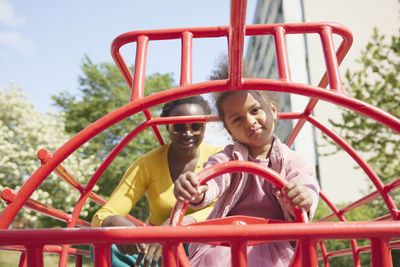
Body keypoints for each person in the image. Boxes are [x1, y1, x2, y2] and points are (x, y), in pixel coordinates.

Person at [173, 90, 320, 266]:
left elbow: (306, 184)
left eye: (255, 110)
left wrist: (304, 196)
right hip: (229, 241)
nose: (250, 121)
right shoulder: (228, 157)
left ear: (272, 111)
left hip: (275, 241)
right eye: (237, 119)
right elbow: (214, 178)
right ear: (230, 131)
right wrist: (198, 189)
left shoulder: (292, 161)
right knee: (218, 259)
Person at [91, 95, 222, 267]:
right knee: (104, 242)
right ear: (168, 126)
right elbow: (102, 215)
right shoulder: (147, 164)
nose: (188, 133)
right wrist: (112, 221)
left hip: (204, 247)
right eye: (179, 127)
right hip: (159, 249)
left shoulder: (219, 157)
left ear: (205, 127)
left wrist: (176, 224)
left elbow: (226, 206)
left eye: (196, 126)